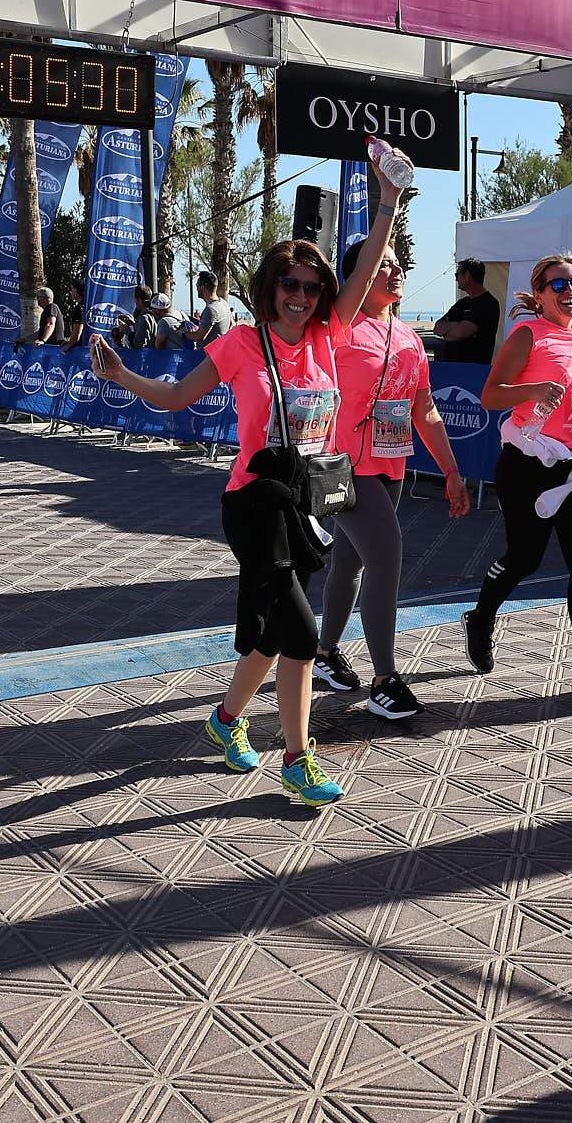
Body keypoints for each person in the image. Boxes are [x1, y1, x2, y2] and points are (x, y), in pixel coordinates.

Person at [88, 152, 408, 808]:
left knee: (269, 631)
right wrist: (121, 376)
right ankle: (297, 757)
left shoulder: (327, 335)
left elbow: (370, 262)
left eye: (311, 287)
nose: (301, 296)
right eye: (290, 285)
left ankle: (225, 720)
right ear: (270, 288)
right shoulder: (240, 343)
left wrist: (387, 198)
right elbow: (177, 396)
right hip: (254, 504)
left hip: (310, 502)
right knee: (298, 628)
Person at [311, 236, 472, 721]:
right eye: (382, 264)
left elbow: (425, 410)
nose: (395, 270)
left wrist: (451, 471)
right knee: (386, 559)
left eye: (398, 262)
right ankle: (385, 680)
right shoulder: (338, 329)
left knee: (349, 565)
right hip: (341, 466)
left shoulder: (408, 338)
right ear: (357, 276)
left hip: (391, 464)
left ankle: (324, 655)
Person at [464, 254, 572, 692]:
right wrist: (533, 389)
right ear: (539, 293)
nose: (569, 292)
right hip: (527, 464)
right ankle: (481, 617)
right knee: (525, 557)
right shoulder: (527, 334)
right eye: (558, 285)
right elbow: (490, 396)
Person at [430, 258, 499, 365]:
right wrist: (458, 325)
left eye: (457, 275)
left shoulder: (488, 303)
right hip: (450, 367)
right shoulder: (462, 303)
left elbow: (460, 332)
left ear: (466, 276)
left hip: (473, 369)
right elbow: (438, 327)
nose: (456, 279)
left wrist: (449, 330)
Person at [185, 270, 234, 346]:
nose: (197, 289)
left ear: (202, 287)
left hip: (207, 355)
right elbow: (231, 324)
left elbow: (199, 336)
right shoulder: (223, 303)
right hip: (219, 351)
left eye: (197, 285)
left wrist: (183, 333)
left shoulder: (211, 310)